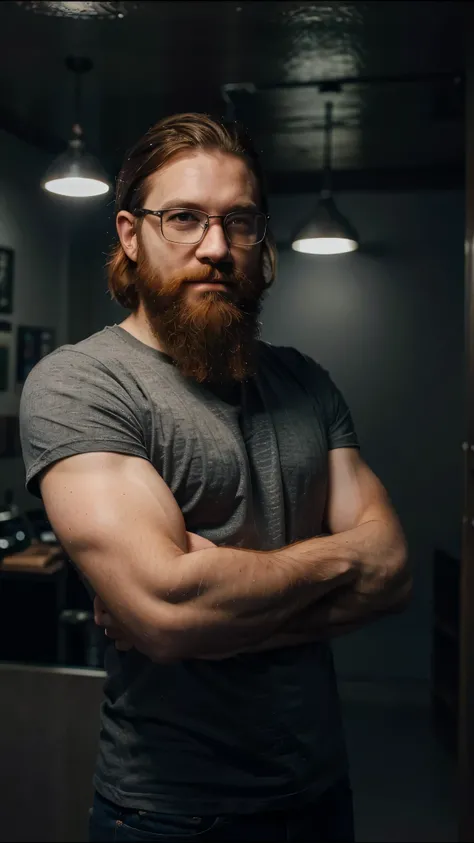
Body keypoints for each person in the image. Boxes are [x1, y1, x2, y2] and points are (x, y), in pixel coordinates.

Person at [19, 112, 411, 843]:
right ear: (132, 236)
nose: (215, 247)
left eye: (239, 221)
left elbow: (390, 570)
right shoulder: (82, 384)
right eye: (184, 219)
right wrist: (337, 557)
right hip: (169, 813)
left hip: (320, 794)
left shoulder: (304, 380)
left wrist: (216, 612)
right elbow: (168, 609)